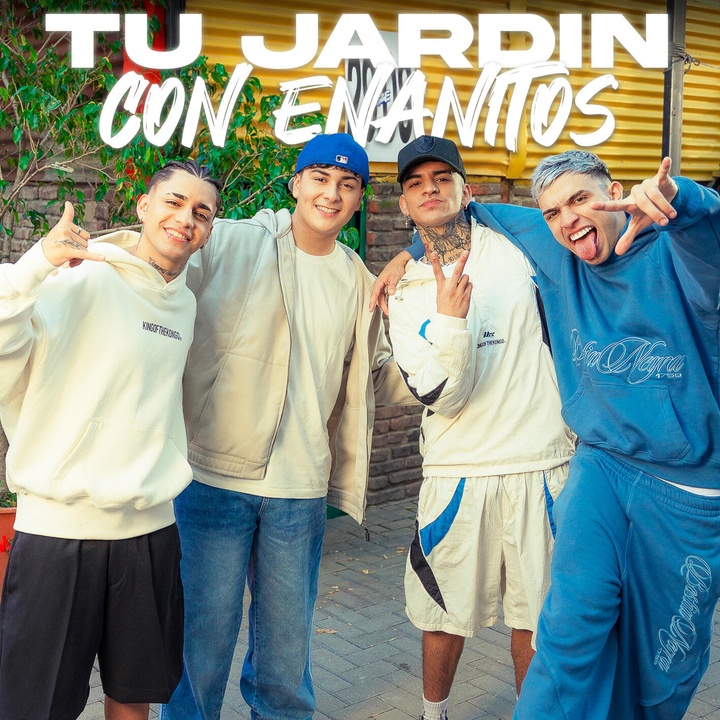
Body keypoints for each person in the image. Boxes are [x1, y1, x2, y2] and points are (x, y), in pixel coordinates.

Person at [372, 150, 720, 719]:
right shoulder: (553, 251)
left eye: (581, 199)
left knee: (665, 660)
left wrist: (683, 199)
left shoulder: (672, 254)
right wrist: (408, 256)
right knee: (565, 629)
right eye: (553, 211)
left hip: (682, 484)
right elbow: (452, 218)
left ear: (615, 191)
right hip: (599, 465)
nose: (568, 219)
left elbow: (708, 240)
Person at [160, 133, 415, 720]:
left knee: (285, 656)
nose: (332, 194)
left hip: (299, 490)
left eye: (347, 185)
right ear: (297, 183)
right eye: (320, 179)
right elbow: (157, 266)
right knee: (199, 646)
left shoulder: (358, 280)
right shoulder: (233, 242)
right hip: (214, 479)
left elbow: (375, 377)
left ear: (359, 199)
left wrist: (446, 363)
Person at [0, 159, 220, 720]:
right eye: (173, 202)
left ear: (208, 231)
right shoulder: (79, 275)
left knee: (132, 696)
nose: (186, 219)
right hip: (57, 533)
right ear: (144, 206)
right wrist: (35, 264)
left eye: (201, 212)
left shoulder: (184, 302)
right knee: (35, 706)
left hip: (148, 531)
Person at [387, 136, 574, 720]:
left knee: (538, 616)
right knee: (443, 613)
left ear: (467, 190)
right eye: (416, 184)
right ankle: (433, 713)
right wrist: (451, 321)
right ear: (403, 205)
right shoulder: (402, 291)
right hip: (457, 471)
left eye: (442, 178)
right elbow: (443, 396)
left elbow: (571, 227)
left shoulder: (519, 250)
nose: (430, 190)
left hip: (542, 460)